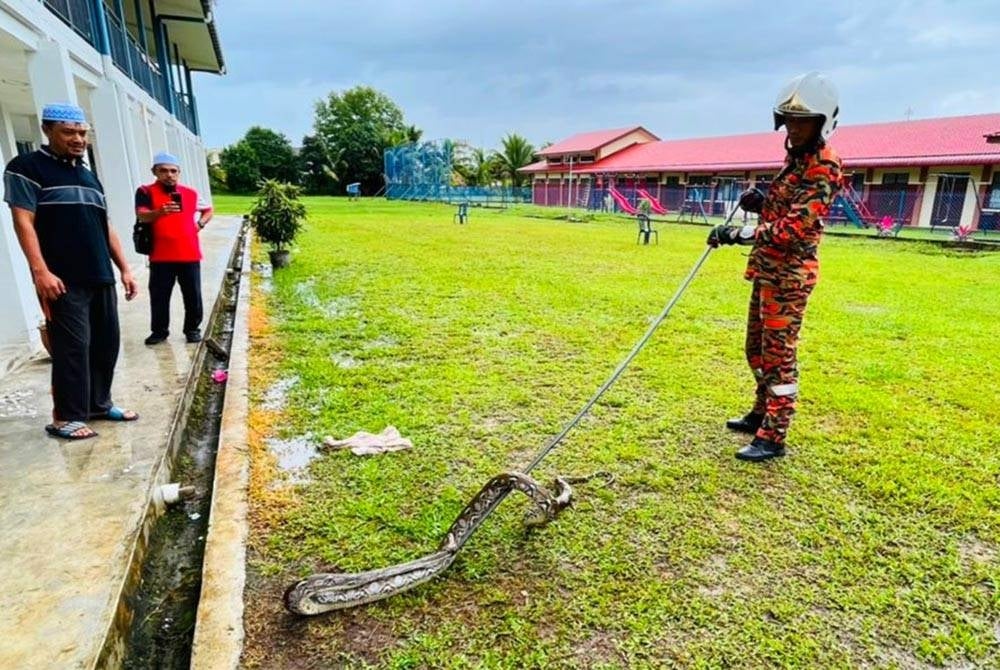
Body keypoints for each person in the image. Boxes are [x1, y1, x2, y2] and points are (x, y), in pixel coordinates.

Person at [707, 72, 843, 462]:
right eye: (789, 119)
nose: (794, 128)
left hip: (789, 279)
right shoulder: (796, 159)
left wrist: (739, 233)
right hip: (768, 271)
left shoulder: (824, 166)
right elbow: (784, 207)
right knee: (756, 349)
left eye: (803, 120)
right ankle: (761, 412)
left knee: (779, 356)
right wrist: (762, 200)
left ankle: (774, 435)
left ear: (823, 122)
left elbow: (796, 229)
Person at [3, 102, 139, 440]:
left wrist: (125, 268)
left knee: (106, 344)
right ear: (47, 131)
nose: (77, 139)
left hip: (99, 275)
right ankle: (65, 417)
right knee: (72, 347)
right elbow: (23, 220)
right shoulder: (27, 167)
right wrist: (40, 271)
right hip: (61, 278)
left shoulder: (88, 175)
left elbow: (104, 224)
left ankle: (98, 404)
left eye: (82, 133)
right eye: (69, 132)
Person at [135, 152, 213, 345]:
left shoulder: (191, 193)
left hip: (189, 253)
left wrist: (200, 224)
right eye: (163, 171)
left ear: (179, 173)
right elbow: (142, 216)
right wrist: (160, 212)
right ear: (155, 171)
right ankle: (160, 331)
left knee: (193, 295)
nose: (169, 175)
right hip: (161, 255)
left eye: (173, 171)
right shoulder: (146, 191)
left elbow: (209, 209)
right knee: (160, 295)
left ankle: (192, 329)